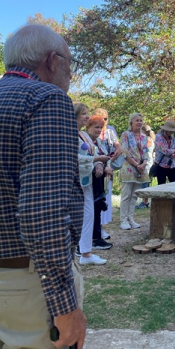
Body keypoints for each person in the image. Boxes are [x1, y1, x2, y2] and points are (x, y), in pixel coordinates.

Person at [0, 24, 87, 349]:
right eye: (69, 62)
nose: (71, 72)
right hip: (25, 281)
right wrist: (64, 306)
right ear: (52, 61)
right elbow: (41, 214)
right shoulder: (46, 100)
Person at [74, 103, 107, 266]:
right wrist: (97, 159)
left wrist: (99, 163)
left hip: (86, 181)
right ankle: (74, 250)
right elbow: (75, 158)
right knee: (75, 217)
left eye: (87, 113)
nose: (87, 116)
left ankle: (86, 253)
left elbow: (94, 152)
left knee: (89, 215)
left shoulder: (83, 135)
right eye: (83, 114)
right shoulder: (69, 134)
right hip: (73, 181)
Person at [82, 115, 114, 251]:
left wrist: (107, 166)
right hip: (89, 178)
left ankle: (96, 236)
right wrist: (100, 163)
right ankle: (93, 239)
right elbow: (89, 158)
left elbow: (106, 157)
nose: (98, 130)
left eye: (100, 127)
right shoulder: (84, 140)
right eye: (96, 127)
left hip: (100, 179)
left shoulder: (99, 142)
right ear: (88, 127)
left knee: (98, 206)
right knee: (92, 207)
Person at [93, 107, 122, 237]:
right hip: (96, 168)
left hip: (109, 166)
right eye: (101, 118)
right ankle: (96, 228)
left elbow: (118, 148)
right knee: (97, 198)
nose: (104, 121)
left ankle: (101, 227)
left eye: (106, 118)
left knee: (106, 197)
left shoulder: (110, 131)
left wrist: (109, 162)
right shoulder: (91, 131)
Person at [119, 113, 150, 230]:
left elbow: (146, 152)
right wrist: (136, 164)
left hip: (140, 169)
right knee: (126, 195)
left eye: (141, 120)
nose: (139, 122)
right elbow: (124, 152)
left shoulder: (144, 137)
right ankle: (123, 220)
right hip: (129, 167)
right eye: (137, 120)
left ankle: (131, 218)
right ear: (131, 122)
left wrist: (144, 164)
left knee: (134, 195)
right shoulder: (126, 135)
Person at [154, 120, 175, 184]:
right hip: (161, 164)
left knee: (174, 183)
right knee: (161, 185)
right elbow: (164, 150)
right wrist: (173, 151)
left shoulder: (172, 138)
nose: (171, 132)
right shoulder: (159, 137)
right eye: (170, 131)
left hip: (171, 164)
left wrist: (174, 152)